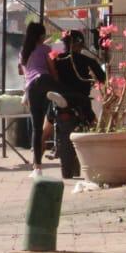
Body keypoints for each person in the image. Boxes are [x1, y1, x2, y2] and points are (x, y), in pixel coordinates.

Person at [51, 30, 105, 179]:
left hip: (62, 102)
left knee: (54, 121)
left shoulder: (56, 60)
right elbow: (102, 78)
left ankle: (55, 151)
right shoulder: (88, 61)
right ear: (79, 43)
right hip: (81, 102)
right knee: (92, 128)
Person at [19, 21, 55, 176]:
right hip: (45, 81)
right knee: (54, 115)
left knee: (36, 128)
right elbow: (52, 69)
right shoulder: (46, 49)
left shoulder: (23, 52)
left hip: (32, 87)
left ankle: (37, 168)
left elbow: (23, 72)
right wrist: (58, 84)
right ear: (41, 36)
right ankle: (56, 106)